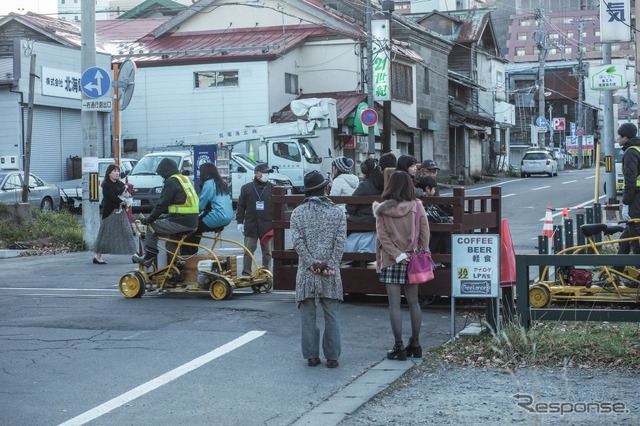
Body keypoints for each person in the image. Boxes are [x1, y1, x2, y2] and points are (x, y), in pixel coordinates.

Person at [290, 170, 347, 368]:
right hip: (330, 271)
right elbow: (340, 243)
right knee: (332, 314)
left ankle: (311, 356)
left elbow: (297, 242)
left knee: (308, 315)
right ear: (325, 188)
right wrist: (330, 264)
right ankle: (332, 357)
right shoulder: (337, 212)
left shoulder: (297, 213)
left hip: (307, 272)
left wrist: (310, 262)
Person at [373, 171, 429, 361]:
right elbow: (424, 232)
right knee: (414, 302)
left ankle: (399, 347)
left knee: (394, 305)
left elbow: (383, 236)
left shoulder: (381, 210)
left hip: (391, 260)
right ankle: (416, 343)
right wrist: (418, 251)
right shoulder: (417, 206)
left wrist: (397, 255)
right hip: (413, 259)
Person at [132, 158, 199, 267]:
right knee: (171, 243)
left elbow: (161, 205)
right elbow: (180, 203)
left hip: (180, 222)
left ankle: (149, 258)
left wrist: (148, 219)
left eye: (162, 174)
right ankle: (177, 267)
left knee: (151, 227)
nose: (162, 177)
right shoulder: (184, 179)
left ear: (166, 171)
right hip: (192, 222)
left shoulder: (171, 181)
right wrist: (166, 216)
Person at [183, 162, 233, 253]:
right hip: (228, 217)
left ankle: (188, 255)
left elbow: (201, 205)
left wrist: (189, 213)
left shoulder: (209, 183)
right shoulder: (221, 183)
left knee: (191, 228)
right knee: (198, 228)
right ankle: (193, 253)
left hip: (218, 216)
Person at [93, 164, 136, 264]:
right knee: (105, 235)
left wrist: (126, 201)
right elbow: (112, 198)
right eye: (114, 171)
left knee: (128, 232)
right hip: (110, 212)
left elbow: (126, 193)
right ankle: (97, 256)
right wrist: (122, 201)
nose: (117, 173)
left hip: (121, 212)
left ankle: (135, 255)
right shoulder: (106, 185)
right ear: (109, 173)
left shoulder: (120, 184)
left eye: (118, 171)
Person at [236, 162, 274, 276]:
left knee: (267, 252)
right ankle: (246, 272)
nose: (267, 175)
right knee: (248, 251)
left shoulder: (273, 188)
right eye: (265, 173)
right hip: (251, 224)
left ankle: (266, 273)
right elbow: (241, 206)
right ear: (257, 174)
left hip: (267, 225)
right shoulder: (246, 188)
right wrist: (239, 222)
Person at [617, 122, 640, 255]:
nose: (617, 138)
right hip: (637, 197)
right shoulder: (638, 149)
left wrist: (626, 202)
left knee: (634, 238)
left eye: (619, 136)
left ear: (626, 138)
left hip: (636, 199)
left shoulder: (631, 152)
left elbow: (630, 181)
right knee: (626, 237)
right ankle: (617, 269)